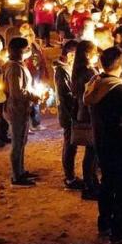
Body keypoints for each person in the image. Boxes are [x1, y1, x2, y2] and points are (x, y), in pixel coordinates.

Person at [84, 46, 122, 244]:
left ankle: (104, 222)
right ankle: (119, 229)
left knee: (107, 183)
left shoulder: (94, 86)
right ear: (121, 65)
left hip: (103, 143)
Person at [2, 37, 43, 186]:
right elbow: (17, 92)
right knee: (17, 142)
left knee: (22, 141)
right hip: (16, 109)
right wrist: (34, 95)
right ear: (20, 50)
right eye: (27, 49)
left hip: (22, 108)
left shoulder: (17, 65)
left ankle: (21, 170)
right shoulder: (15, 68)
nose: (29, 51)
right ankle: (16, 175)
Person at [53, 39, 84, 190]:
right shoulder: (62, 71)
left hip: (70, 113)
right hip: (68, 114)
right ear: (71, 55)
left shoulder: (66, 69)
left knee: (72, 144)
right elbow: (65, 94)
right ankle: (70, 178)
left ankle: (70, 176)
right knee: (70, 144)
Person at [72, 40, 101, 199]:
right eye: (95, 52)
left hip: (86, 113)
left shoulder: (80, 70)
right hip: (90, 114)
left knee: (92, 152)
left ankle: (92, 183)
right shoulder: (87, 73)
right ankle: (89, 186)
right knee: (92, 151)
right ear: (88, 54)